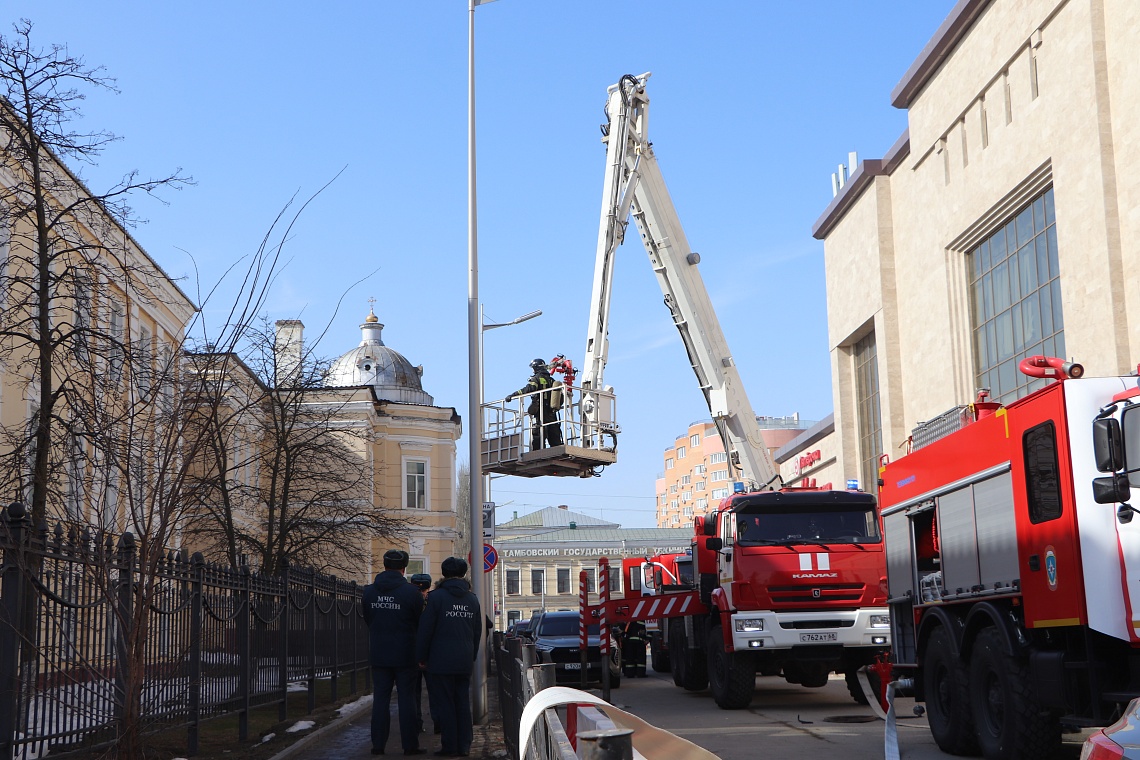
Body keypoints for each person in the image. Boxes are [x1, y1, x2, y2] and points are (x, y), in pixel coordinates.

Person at [361, 550, 426, 756]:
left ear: (384, 565)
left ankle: (378, 745)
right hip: (406, 653)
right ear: (404, 569)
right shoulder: (411, 593)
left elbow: (368, 618)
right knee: (407, 699)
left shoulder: (369, 592)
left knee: (380, 699)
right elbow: (419, 621)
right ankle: (410, 745)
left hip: (379, 652)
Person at [416, 557, 481, 758]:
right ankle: (465, 745)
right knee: (462, 702)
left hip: (440, 659)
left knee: (445, 702)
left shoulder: (436, 598)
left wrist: (422, 656)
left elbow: (426, 629)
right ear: (463, 574)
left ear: (443, 574)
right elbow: (477, 631)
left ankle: (450, 745)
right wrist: (471, 654)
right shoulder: (472, 599)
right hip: (463, 659)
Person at [506, 358, 563, 450]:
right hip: (551, 411)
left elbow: (528, 389)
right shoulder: (552, 380)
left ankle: (538, 451)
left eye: (533, 368)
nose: (533, 370)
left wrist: (512, 395)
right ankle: (558, 450)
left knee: (538, 431)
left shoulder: (536, 379)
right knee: (554, 431)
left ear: (536, 368)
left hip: (540, 410)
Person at [408, 573, 438, 736]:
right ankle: (433, 722)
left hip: (415, 653)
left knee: (417, 692)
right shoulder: (433, 603)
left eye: (424, 590)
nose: (422, 593)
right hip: (428, 654)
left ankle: (419, 723)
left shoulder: (408, 601)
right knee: (431, 691)